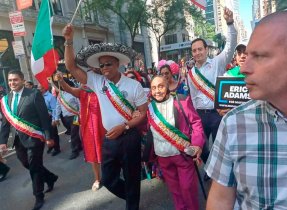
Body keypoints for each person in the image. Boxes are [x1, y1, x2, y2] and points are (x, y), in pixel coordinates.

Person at [205, 9, 287, 210]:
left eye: (259, 56)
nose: (243, 68)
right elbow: (220, 200)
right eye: (246, 55)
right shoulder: (233, 124)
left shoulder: (216, 63)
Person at [63, 24, 148, 210]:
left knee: (132, 177)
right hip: (109, 138)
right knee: (108, 179)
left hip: (129, 137)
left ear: (118, 64)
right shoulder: (96, 81)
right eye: (101, 65)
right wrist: (68, 41)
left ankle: (132, 204)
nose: (104, 68)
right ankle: (132, 197)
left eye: (108, 64)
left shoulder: (133, 86)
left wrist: (125, 126)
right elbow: (70, 66)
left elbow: (142, 113)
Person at [0, 70, 58, 210]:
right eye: (10, 80)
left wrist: (48, 136)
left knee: (34, 167)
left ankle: (38, 196)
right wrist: (2, 141)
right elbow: (6, 123)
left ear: (22, 80)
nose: (12, 83)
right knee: (27, 164)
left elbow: (43, 117)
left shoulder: (33, 94)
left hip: (34, 138)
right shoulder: (6, 99)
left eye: (15, 80)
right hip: (17, 140)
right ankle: (50, 177)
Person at [188, 7, 237, 164]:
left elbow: (230, 46)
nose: (197, 53)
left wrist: (230, 23)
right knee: (201, 147)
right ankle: (209, 166)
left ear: (206, 49)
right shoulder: (190, 74)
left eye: (200, 49)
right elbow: (192, 97)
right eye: (194, 51)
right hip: (199, 116)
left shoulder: (218, 62)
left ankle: (216, 175)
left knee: (219, 147)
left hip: (216, 114)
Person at [148, 75, 205, 210]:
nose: (157, 91)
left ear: (167, 86)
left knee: (187, 188)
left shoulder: (181, 101)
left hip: (182, 155)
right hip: (163, 157)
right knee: (175, 191)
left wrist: (197, 144)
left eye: (160, 86)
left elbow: (196, 123)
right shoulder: (149, 108)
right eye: (154, 88)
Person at [55, 71, 105, 191]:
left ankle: (113, 174)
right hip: (89, 127)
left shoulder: (104, 89)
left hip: (105, 126)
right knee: (93, 154)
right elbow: (70, 90)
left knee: (110, 152)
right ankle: (97, 179)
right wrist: (61, 80)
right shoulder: (82, 91)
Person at [54, 78, 81, 160]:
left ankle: (74, 151)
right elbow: (58, 107)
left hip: (75, 116)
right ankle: (79, 146)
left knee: (73, 133)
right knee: (74, 133)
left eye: (62, 84)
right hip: (66, 118)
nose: (61, 86)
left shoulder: (73, 92)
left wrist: (81, 114)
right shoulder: (60, 95)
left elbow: (79, 104)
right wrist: (56, 118)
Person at [37, 84, 61, 156]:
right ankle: (51, 146)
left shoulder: (50, 97)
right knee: (46, 134)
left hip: (50, 118)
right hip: (42, 119)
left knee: (53, 134)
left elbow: (54, 109)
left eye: (39, 88)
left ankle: (57, 149)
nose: (38, 89)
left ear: (44, 88)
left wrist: (54, 119)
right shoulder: (38, 97)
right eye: (38, 88)